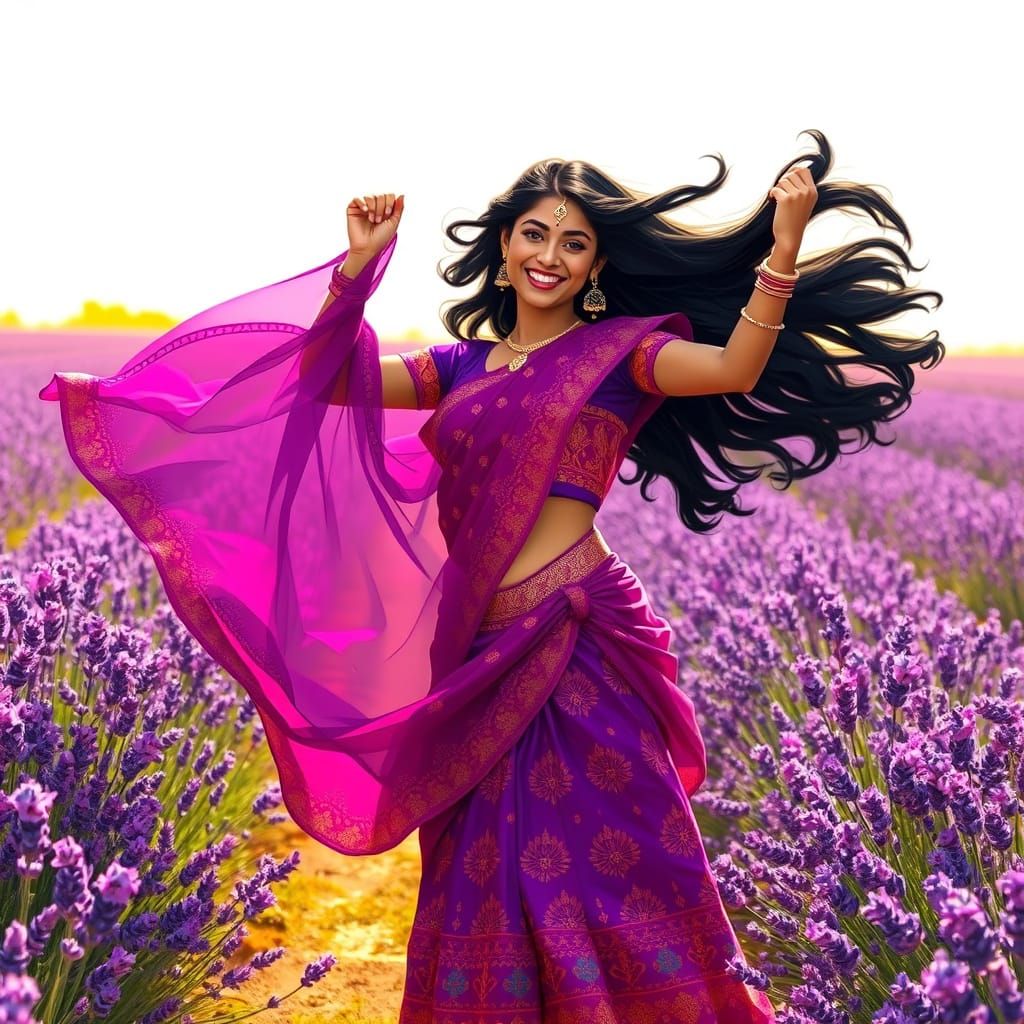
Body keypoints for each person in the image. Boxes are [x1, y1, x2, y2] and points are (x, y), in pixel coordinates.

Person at [39, 140, 944, 1020]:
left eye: (574, 241)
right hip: (476, 650)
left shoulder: (622, 357)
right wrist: (355, 274)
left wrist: (782, 249)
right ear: (504, 249)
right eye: (534, 235)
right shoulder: (459, 367)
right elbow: (325, 386)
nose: (550, 255)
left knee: (617, 852)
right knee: (483, 859)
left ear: (595, 264)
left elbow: (734, 367)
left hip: (578, 636)